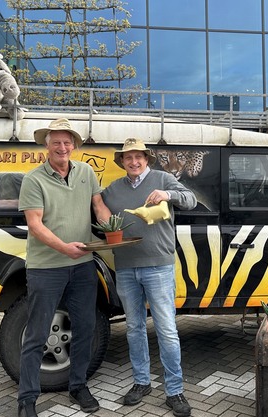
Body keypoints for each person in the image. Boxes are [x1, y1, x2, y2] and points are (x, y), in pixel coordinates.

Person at [16, 118, 111, 417]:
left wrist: (113, 228)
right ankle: (27, 399)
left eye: (67, 142)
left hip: (83, 266)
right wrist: (64, 248)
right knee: (36, 334)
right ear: (47, 146)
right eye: (56, 142)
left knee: (85, 327)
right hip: (46, 268)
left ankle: (78, 386)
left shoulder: (85, 172)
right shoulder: (34, 180)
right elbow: (35, 225)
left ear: (74, 145)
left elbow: (98, 206)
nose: (62, 147)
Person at [102, 138, 196, 417]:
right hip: (126, 267)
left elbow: (190, 200)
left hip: (159, 267)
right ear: (122, 162)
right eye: (128, 158)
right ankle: (141, 382)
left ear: (146, 159)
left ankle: (174, 390)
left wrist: (168, 195)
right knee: (134, 328)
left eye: (138, 157)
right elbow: (96, 206)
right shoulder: (113, 189)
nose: (133, 162)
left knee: (166, 329)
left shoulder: (163, 179)